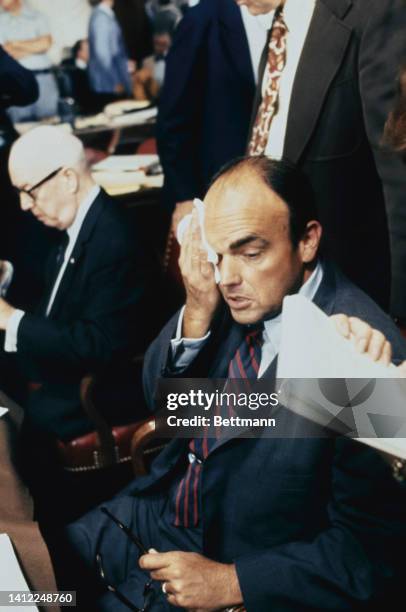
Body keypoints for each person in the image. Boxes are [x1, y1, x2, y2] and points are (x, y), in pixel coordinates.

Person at [65, 157, 406, 611]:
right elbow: (169, 407)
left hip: (229, 558)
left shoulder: (354, 351)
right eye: (217, 253)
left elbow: (371, 553)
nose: (227, 277)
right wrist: (196, 310)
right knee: (32, 583)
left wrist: (233, 582)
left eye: (250, 252)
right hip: (157, 509)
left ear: (306, 241)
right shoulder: (233, 294)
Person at [0, 126, 153, 522]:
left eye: (28, 190)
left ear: (67, 178)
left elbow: (99, 345)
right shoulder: (76, 224)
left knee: (21, 432)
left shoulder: (115, 238)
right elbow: (59, 309)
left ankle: (57, 551)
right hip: (78, 373)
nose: (23, 204)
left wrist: (10, 318)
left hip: (108, 389)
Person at [237, 0, 406, 321]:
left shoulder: (374, 12)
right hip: (282, 298)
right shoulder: (279, 25)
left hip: (355, 298)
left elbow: (399, 181)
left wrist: (401, 316)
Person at [157, 0, 266, 231]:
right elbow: (174, 117)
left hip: (272, 185)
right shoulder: (201, 21)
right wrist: (184, 196)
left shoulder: (291, 18)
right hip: (222, 187)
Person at [0, 0, 59, 122]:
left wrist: (15, 43)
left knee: (50, 124)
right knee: (21, 127)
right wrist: (35, 45)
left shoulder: (38, 16)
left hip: (44, 79)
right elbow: (5, 51)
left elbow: (46, 43)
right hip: (16, 82)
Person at [87, 0, 133, 97]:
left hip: (113, 81)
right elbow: (102, 53)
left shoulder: (105, 15)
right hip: (109, 84)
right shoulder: (100, 18)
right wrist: (115, 81)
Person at [133, 10, 177, 101]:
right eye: (156, 44)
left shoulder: (180, 62)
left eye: (164, 45)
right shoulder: (147, 62)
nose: (160, 48)